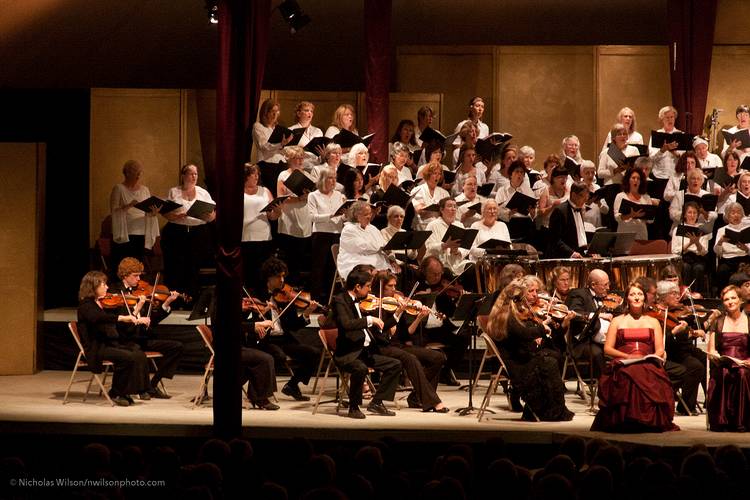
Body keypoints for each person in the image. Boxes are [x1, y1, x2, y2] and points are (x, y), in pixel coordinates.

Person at [590, 282, 679, 432]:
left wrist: (651, 357)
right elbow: (608, 349)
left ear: (644, 298)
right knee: (627, 373)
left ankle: (649, 421)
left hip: (647, 360)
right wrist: (627, 356)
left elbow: (659, 350)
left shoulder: (653, 321)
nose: (636, 297)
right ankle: (626, 419)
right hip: (623, 360)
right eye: (632, 294)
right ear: (627, 299)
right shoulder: (617, 321)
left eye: (639, 294)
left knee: (646, 370)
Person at [485, 278, 575, 421]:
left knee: (551, 359)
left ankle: (544, 409)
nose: (524, 301)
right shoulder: (506, 316)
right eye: (522, 297)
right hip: (516, 364)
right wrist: (541, 328)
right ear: (514, 299)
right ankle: (547, 410)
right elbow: (523, 333)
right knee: (549, 362)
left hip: (519, 357)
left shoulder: (509, 313)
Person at [107, 258, 184, 399]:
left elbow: (152, 321)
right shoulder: (115, 292)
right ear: (125, 275)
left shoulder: (142, 291)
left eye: (139, 275)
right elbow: (119, 322)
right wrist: (138, 310)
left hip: (142, 337)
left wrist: (166, 303)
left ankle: (152, 384)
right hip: (125, 339)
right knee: (137, 352)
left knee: (176, 347)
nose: (138, 278)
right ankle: (143, 389)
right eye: (135, 275)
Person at [372, 271, 449, 412]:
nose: (394, 289)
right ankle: (432, 401)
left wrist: (419, 318)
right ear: (381, 287)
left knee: (437, 357)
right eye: (390, 286)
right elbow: (383, 332)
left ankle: (416, 397)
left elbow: (405, 333)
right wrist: (397, 313)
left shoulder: (396, 303)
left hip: (398, 346)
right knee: (411, 359)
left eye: (395, 285)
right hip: (382, 347)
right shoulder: (375, 306)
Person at [331, 268, 402, 419]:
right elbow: (346, 324)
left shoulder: (363, 302)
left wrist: (396, 315)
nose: (370, 290)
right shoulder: (340, 300)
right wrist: (370, 320)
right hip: (348, 353)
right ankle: (354, 407)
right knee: (360, 368)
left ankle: (376, 402)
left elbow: (380, 327)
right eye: (368, 286)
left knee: (395, 364)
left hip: (364, 352)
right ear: (357, 287)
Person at [76, 271, 150, 407]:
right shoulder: (86, 305)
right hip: (96, 348)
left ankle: (126, 391)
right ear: (92, 286)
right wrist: (122, 317)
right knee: (127, 357)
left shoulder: (98, 303)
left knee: (136, 353)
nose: (107, 287)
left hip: (107, 344)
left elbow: (110, 321)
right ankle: (116, 392)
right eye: (103, 284)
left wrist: (134, 313)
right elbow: (97, 318)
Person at [258, 257, 322, 402]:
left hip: (284, 339)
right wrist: (261, 312)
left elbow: (293, 325)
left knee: (313, 353)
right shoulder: (258, 295)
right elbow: (248, 321)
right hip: (266, 340)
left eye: (283, 276)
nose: (282, 280)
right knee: (279, 356)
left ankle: (292, 385)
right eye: (278, 276)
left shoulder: (286, 296)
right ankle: (261, 391)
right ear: (269, 278)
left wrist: (306, 313)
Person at [161, 163, 216, 302]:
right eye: (191, 173)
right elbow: (166, 214)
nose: (194, 176)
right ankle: (176, 299)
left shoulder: (203, 193)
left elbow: (212, 215)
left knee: (194, 266)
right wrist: (177, 216)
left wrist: (208, 216)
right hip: (177, 232)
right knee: (177, 266)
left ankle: (193, 299)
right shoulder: (174, 191)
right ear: (183, 176)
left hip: (198, 233)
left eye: (196, 174)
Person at [651, 280, 706, 415]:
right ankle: (685, 406)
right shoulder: (655, 315)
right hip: (668, 352)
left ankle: (709, 399)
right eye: (674, 293)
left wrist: (689, 331)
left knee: (704, 358)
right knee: (695, 366)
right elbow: (662, 341)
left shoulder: (671, 313)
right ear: (663, 296)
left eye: (678, 293)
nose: (678, 296)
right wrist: (677, 331)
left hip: (678, 349)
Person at [414, 256, 470, 386]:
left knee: (463, 337)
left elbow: (450, 312)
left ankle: (446, 370)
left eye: (440, 274)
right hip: (421, 328)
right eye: (434, 274)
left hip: (439, 328)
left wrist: (458, 301)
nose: (438, 277)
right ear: (424, 272)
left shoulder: (442, 290)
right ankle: (422, 377)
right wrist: (421, 296)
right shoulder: (416, 284)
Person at [706, 284, 750, 431]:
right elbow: (711, 350)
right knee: (724, 373)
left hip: (745, 364)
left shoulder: (749, 321)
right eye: (726, 299)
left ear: (741, 300)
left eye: (733, 298)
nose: (730, 301)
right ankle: (722, 421)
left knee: (742, 374)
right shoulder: (717, 322)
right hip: (724, 363)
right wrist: (715, 356)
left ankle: (741, 421)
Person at [109, 159, 159, 270]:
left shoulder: (145, 190)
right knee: (124, 266)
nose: (138, 175)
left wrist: (153, 212)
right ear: (126, 172)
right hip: (125, 234)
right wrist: (128, 205)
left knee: (136, 266)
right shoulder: (119, 188)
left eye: (139, 172)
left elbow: (148, 210)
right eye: (135, 171)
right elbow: (114, 211)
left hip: (141, 232)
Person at [307, 169, 347, 303]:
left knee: (332, 268)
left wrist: (346, 215)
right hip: (321, 234)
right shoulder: (314, 195)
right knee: (319, 268)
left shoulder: (339, 195)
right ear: (323, 179)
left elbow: (343, 218)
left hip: (337, 233)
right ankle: (316, 300)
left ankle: (329, 301)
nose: (334, 181)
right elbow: (312, 216)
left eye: (335, 178)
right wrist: (331, 216)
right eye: (330, 178)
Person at [565, 269, 614, 379]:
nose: (608, 288)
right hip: (583, 342)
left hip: (600, 339)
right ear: (593, 285)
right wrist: (599, 315)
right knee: (597, 353)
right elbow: (575, 313)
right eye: (605, 285)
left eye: (608, 284)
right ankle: (603, 385)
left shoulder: (603, 297)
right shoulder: (578, 294)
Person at [276, 145, 313, 285]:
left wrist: (309, 196)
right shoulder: (283, 175)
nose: (300, 160)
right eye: (297, 158)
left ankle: (296, 287)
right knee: (289, 259)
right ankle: (286, 287)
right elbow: (280, 197)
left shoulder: (307, 175)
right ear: (289, 160)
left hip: (304, 217)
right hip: (289, 219)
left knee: (300, 258)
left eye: (301, 157)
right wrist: (299, 198)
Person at [242, 163, 279, 293]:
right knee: (248, 273)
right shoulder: (237, 191)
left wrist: (277, 211)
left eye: (258, 174)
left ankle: (262, 304)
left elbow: (273, 216)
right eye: (253, 174)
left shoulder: (265, 191)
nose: (257, 177)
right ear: (246, 176)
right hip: (245, 237)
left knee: (263, 273)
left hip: (264, 236)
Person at [337, 200, 392, 280]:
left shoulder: (372, 228)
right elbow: (362, 247)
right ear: (356, 216)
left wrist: (392, 259)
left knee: (402, 271)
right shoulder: (348, 229)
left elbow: (384, 245)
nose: (369, 216)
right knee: (381, 276)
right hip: (356, 262)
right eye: (366, 214)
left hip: (375, 261)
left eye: (370, 213)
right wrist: (379, 247)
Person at [670, 201, 711, 295]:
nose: (692, 215)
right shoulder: (678, 229)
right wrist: (690, 243)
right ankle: (685, 294)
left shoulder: (702, 229)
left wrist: (697, 242)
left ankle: (698, 294)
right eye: (689, 212)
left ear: (697, 215)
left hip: (698, 258)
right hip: (683, 258)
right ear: (684, 215)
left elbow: (704, 252)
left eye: (694, 213)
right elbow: (675, 251)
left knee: (699, 268)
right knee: (686, 267)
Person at [424, 198, 471, 277]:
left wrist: (456, 251)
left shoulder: (459, 225)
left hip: (456, 263)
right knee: (446, 272)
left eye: (455, 206)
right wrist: (445, 245)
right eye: (449, 206)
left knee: (472, 267)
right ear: (442, 210)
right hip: (438, 262)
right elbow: (429, 247)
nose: (453, 209)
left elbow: (466, 248)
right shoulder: (432, 225)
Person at [253, 98, 291, 192]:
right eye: (272, 111)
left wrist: (287, 145)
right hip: (267, 166)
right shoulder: (259, 126)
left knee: (282, 192)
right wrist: (280, 144)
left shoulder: (277, 128)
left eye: (277, 111)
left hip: (281, 164)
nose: (275, 114)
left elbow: (281, 149)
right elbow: (264, 146)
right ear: (265, 112)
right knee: (271, 193)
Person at [495, 160, 538, 243]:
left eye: (522, 172)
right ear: (511, 174)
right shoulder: (502, 190)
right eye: (517, 171)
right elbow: (497, 211)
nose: (519, 174)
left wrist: (532, 212)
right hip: (508, 223)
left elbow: (533, 215)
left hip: (525, 223)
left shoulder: (528, 191)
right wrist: (509, 213)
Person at [546, 182, 590, 259]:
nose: (585, 201)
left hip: (580, 255)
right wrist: (571, 253)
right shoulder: (559, 211)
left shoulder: (579, 209)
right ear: (573, 195)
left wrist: (589, 251)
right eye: (583, 197)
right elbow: (554, 239)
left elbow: (580, 237)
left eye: (586, 198)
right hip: (564, 257)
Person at [613, 167, 656, 241]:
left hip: (641, 234)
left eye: (638, 178)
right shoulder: (621, 196)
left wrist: (645, 215)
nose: (636, 180)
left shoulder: (646, 197)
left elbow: (650, 220)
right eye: (633, 178)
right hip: (625, 234)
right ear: (628, 180)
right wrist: (631, 215)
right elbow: (617, 218)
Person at [715, 202, 750, 290]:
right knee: (722, 271)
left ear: (742, 215)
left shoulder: (747, 229)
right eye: (733, 213)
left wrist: (746, 249)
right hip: (728, 259)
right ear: (727, 215)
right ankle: (723, 295)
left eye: (738, 213)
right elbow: (717, 252)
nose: (736, 215)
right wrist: (720, 242)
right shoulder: (721, 230)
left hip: (744, 258)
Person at [648, 105, 684, 180]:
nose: (670, 120)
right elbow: (651, 159)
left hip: (676, 176)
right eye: (667, 117)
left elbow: (686, 159)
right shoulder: (656, 135)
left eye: (672, 117)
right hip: (659, 176)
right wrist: (662, 150)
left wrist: (675, 153)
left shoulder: (681, 135)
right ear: (662, 119)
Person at [411, 163, 450, 230]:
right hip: (422, 228)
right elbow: (419, 211)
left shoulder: (444, 193)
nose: (437, 176)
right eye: (435, 173)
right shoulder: (417, 190)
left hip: (439, 228)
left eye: (439, 174)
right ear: (428, 174)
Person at [289, 100, 324, 171]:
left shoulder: (318, 131)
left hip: (316, 167)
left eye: (311, 111)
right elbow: (288, 152)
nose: (309, 113)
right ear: (299, 113)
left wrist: (323, 154)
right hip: (299, 167)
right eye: (306, 110)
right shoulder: (291, 130)